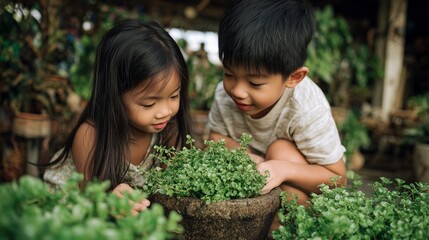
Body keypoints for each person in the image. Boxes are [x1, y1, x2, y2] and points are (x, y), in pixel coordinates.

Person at [43, 19, 193, 215]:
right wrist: (108, 200)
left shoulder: (170, 131)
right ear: (114, 95)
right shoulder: (90, 136)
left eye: (174, 96)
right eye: (149, 103)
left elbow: (169, 192)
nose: (165, 111)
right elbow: (94, 201)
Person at [208, 0, 347, 207]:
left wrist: (281, 169)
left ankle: (282, 227)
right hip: (256, 180)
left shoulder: (307, 107)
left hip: (303, 190)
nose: (236, 91)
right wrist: (247, 158)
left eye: (255, 82)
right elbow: (215, 136)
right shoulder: (224, 94)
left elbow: (338, 179)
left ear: (294, 77)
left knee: (281, 150)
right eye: (228, 73)